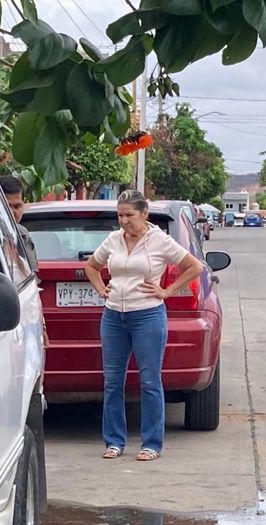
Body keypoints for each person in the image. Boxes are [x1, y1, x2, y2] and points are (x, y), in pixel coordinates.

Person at [84, 190, 204, 461]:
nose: (124, 221)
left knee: (150, 381)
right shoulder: (113, 239)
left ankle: (151, 443)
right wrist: (101, 288)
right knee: (113, 382)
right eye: (120, 215)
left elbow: (194, 267)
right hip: (113, 315)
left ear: (144, 214)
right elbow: (91, 266)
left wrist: (167, 290)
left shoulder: (160, 240)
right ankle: (114, 441)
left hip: (147, 315)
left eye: (129, 215)